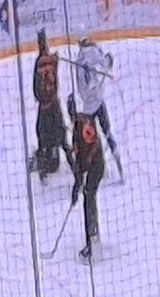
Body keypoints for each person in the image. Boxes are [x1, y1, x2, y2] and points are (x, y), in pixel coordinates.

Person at [71, 37, 121, 181]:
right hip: (98, 103)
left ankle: (86, 168)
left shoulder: (82, 58)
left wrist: (91, 77)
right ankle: (119, 166)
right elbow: (106, 63)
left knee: (88, 139)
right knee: (107, 133)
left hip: (89, 108)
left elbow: (83, 89)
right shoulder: (92, 53)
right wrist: (108, 60)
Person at [67, 95, 107, 263]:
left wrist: (77, 183)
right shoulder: (82, 124)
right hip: (94, 166)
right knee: (89, 198)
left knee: (89, 197)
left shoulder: (82, 128)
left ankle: (92, 239)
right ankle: (93, 235)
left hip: (96, 166)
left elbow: (83, 158)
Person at [30, 30, 68, 182]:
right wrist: (56, 59)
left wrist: (38, 97)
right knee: (60, 134)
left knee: (42, 134)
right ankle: (70, 162)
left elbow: (36, 86)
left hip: (45, 107)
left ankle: (44, 167)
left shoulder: (40, 62)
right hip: (54, 104)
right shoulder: (52, 60)